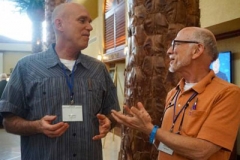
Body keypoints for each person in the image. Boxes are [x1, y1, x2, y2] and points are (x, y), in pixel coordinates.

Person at [0, 2, 120, 160]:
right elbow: (9, 121)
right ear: (59, 24)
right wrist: (37, 126)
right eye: (82, 21)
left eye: (90, 22)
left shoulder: (98, 69)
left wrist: (109, 123)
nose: (90, 27)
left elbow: (112, 113)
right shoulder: (26, 67)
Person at [111, 27, 240, 160]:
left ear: (197, 50)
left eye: (176, 44)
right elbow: (165, 145)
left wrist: (152, 130)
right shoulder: (173, 93)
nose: (169, 51)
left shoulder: (228, 93)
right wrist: (145, 128)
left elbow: (202, 151)